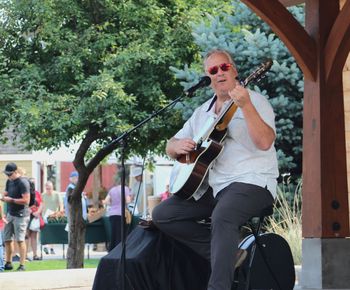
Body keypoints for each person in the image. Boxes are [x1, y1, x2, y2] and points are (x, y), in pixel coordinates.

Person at [152, 49, 279, 290]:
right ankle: (229, 255)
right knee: (163, 215)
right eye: (213, 70)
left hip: (253, 182)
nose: (219, 73)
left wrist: (246, 106)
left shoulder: (255, 101)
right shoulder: (202, 113)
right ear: (208, 77)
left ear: (234, 70)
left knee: (223, 215)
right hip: (217, 187)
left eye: (224, 67)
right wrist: (177, 145)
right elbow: (170, 146)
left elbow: (265, 142)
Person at [0, 162, 31, 271]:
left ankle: (22, 264)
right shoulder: (9, 181)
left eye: (10, 174)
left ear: (16, 172)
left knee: (20, 240)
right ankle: (8, 262)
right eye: (7, 174)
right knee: (7, 239)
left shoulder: (23, 182)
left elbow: (26, 200)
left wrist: (11, 200)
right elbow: (6, 193)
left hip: (21, 215)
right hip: (10, 213)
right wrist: (3, 196)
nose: (8, 176)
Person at [103, 179, 131, 251]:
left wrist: (113, 204)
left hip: (112, 214)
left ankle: (112, 250)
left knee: (114, 233)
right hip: (121, 214)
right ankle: (120, 250)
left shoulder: (112, 190)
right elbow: (128, 201)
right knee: (121, 234)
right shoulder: (125, 189)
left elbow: (106, 201)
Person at [41, 180, 63, 255]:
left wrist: (60, 211)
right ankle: (47, 247)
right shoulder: (43, 195)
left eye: (50, 188)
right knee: (47, 232)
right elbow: (41, 205)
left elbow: (61, 204)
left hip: (54, 216)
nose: (48, 190)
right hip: (45, 216)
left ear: (52, 187)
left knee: (53, 232)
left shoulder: (57, 194)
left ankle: (51, 248)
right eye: (47, 189)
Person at [26, 178, 43, 260]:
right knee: (26, 236)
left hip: (35, 216)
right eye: (31, 183)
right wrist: (27, 210)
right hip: (27, 216)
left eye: (33, 183)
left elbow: (41, 203)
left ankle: (35, 255)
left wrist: (38, 212)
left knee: (34, 236)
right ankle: (24, 256)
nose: (32, 184)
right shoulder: (25, 192)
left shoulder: (37, 193)